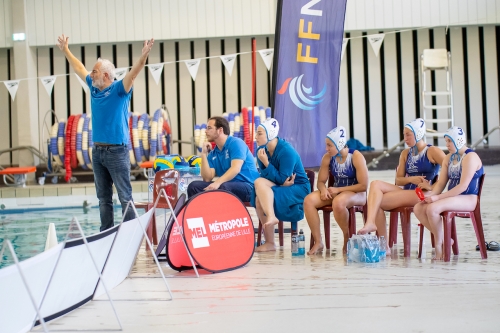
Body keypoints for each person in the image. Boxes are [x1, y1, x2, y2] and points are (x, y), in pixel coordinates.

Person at [57, 34, 154, 231]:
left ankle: (130, 234)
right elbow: (79, 68)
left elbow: (133, 74)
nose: (91, 75)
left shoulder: (119, 89)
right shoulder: (94, 89)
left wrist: (143, 57)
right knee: (103, 198)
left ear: (106, 76)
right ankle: (106, 233)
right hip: (98, 151)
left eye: (95, 72)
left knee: (125, 196)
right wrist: (66, 50)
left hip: (117, 152)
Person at [357, 119, 446, 249]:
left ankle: (380, 240)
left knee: (376, 203)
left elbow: (450, 169)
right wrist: (411, 179)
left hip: (422, 194)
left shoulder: (432, 151)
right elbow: (399, 180)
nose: (405, 138)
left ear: (418, 134)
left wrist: (432, 187)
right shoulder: (405, 154)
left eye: (408, 134)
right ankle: (382, 242)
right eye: (404, 134)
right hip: (407, 191)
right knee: (375, 185)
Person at [414, 127, 484, 260]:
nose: (447, 145)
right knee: (418, 208)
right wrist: (430, 196)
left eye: (449, 141)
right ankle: (446, 240)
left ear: (459, 140)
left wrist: (437, 198)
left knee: (433, 209)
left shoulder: (470, 157)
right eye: (446, 141)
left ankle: (439, 246)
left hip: (468, 198)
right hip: (453, 197)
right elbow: (441, 183)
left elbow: (463, 187)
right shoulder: (448, 158)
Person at [303, 126, 368, 255]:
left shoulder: (355, 156)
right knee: (308, 200)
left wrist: (338, 189)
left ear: (339, 144)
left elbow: (363, 186)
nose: (326, 149)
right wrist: (323, 190)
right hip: (338, 192)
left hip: (357, 193)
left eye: (329, 145)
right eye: (326, 145)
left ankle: (347, 237)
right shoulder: (328, 157)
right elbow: (321, 182)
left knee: (338, 202)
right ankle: (318, 241)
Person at [252, 118, 311, 252]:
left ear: (270, 134)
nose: (256, 137)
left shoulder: (286, 151)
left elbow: (283, 179)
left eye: (259, 133)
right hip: (282, 185)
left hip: (298, 187)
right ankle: (270, 242)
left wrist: (267, 163)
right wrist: (281, 182)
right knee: (258, 193)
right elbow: (268, 177)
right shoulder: (262, 151)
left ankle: (271, 226)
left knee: (259, 185)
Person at [187, 116, 259, 202]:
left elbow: (235, 168)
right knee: (194, 186)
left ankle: (222, 214)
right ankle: (202, 214)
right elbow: (207, 178)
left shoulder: (236, 143)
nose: (206, 131)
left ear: (220, 130)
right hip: (227, 186)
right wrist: (203, 154)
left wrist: (217, 182)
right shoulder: (213, 153)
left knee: (223, 187)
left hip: (249, 187)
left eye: (209, 128)